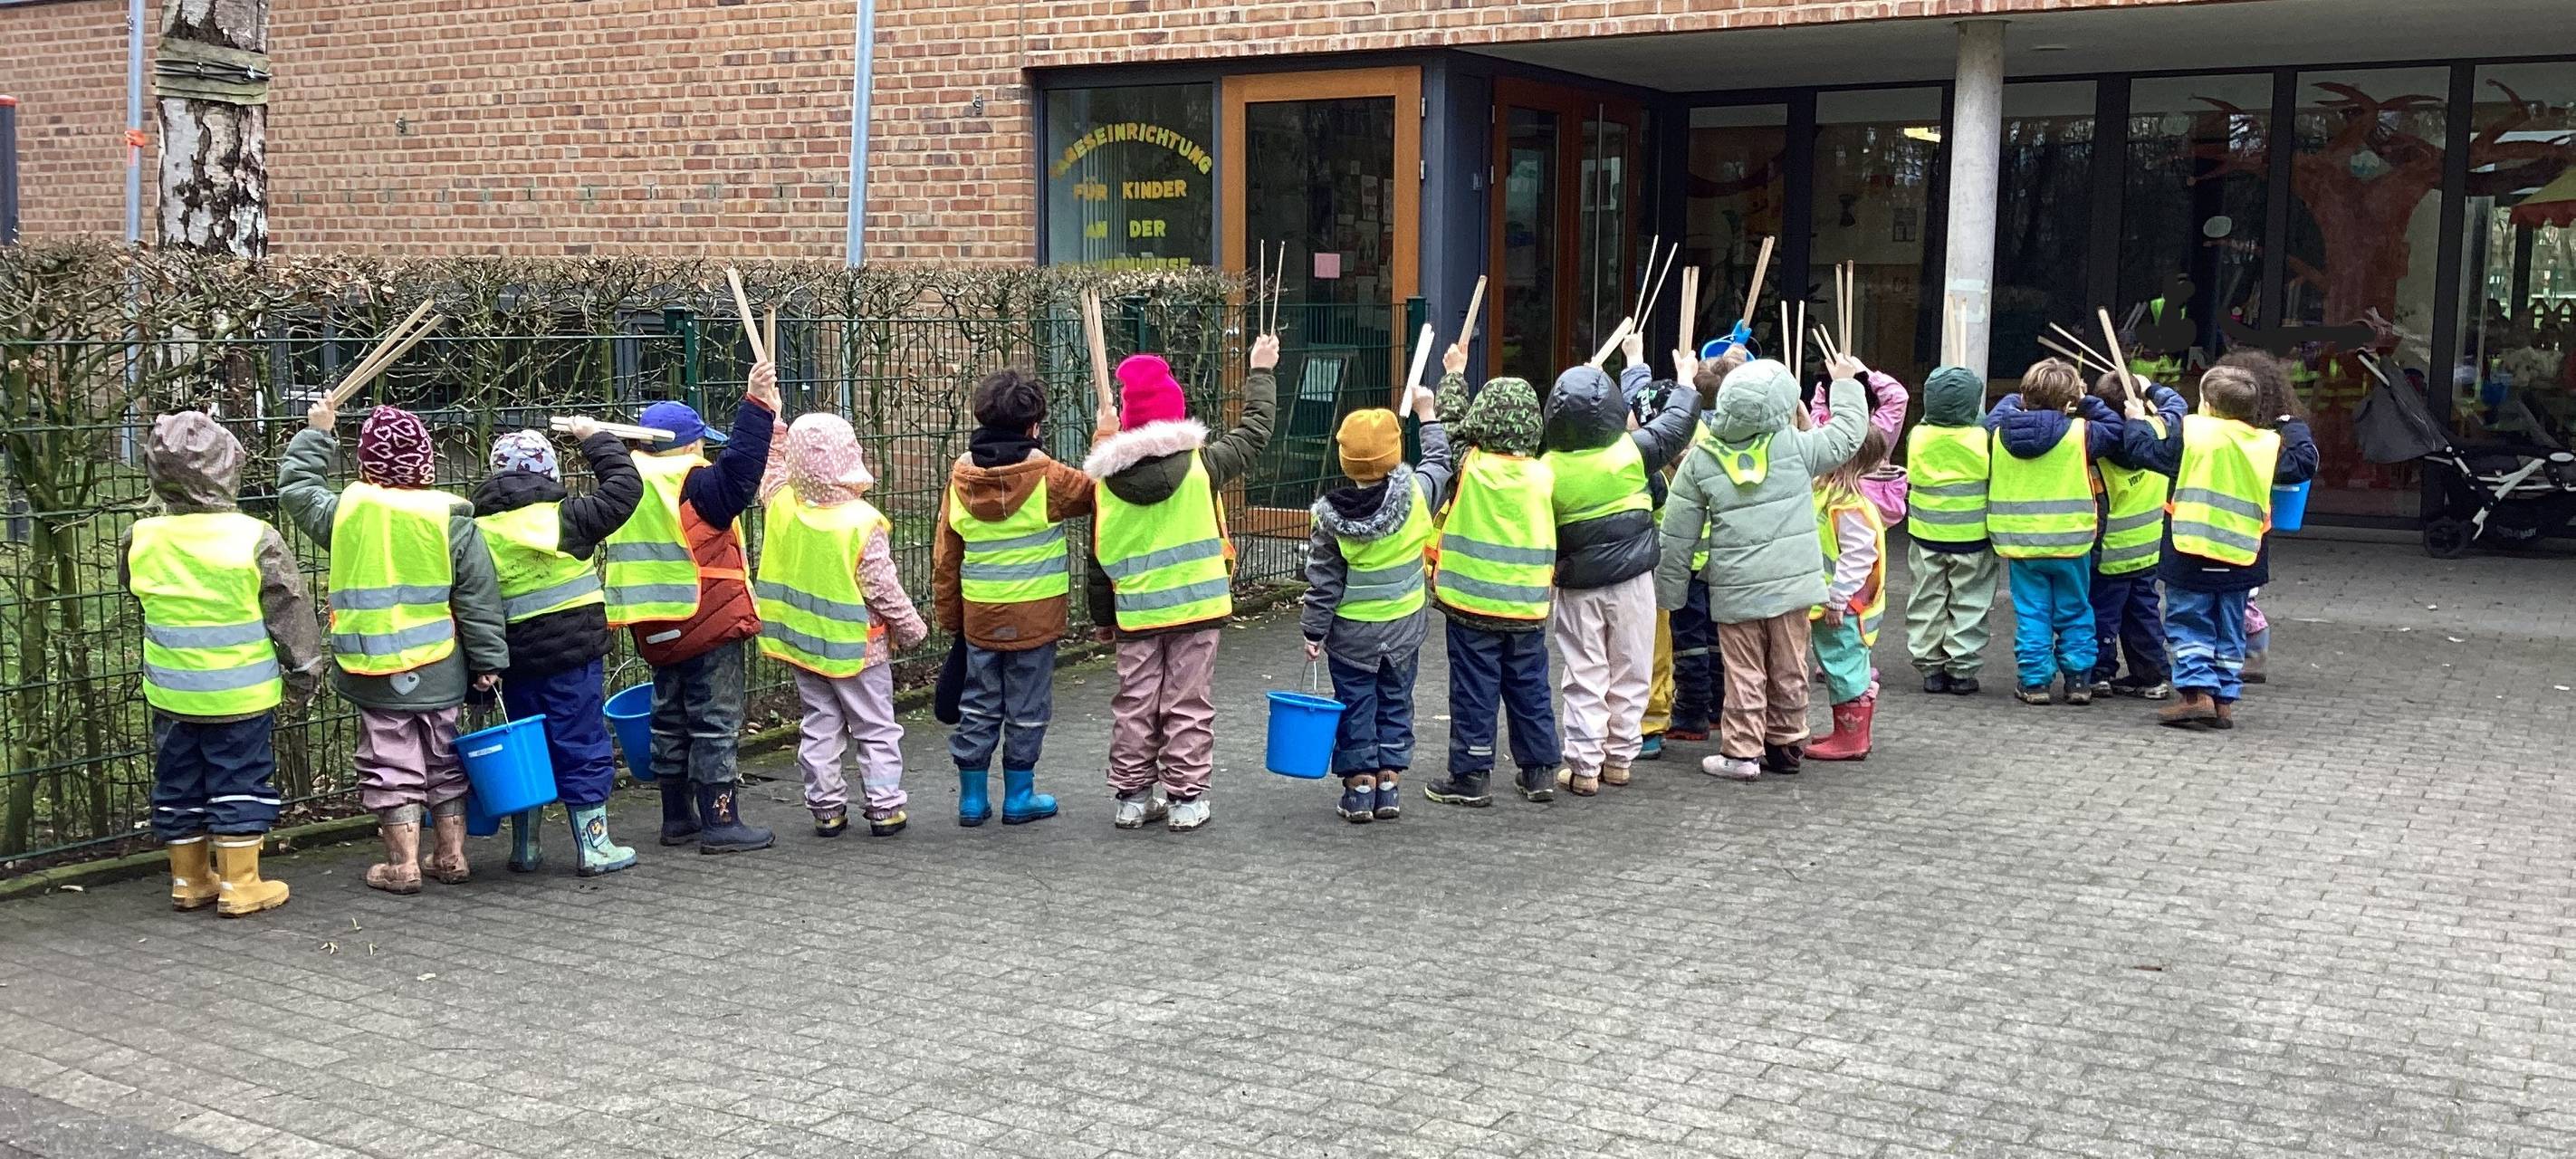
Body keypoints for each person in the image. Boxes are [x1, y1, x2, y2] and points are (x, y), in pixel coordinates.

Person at [282, 403, 510, 894]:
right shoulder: (451, 519)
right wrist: (489, 660)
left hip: (371, 664)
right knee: (445, 757)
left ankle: (401, 865)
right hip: (441, 664)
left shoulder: (347, 512)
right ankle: (450, 856)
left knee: (390, 761)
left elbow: (298, 490)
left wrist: (317, 434)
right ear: (427, 460)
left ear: (366, 463)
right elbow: (478, 598)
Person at [120, 412, 328, 916]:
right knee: (241, 781)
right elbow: (290, 611)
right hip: (241, 694)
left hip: (171, 693)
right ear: (229, 465)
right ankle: (242, 885)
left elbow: (137, 591)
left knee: (177, 783)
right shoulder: (254, 536)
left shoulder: (140, 537)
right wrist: (304, 675)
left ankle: (189, 880)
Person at [1083, 337, 1278, 833]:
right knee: (1187, 702)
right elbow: (1255, 433)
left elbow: (1097, 556)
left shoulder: (1104, 484)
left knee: (1135, 703)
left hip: (1136, 615)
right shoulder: (1203, 466)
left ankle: (1131, 797)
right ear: (1176, 416)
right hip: (1197, 609)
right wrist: (1260, 370)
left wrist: (1104, 620)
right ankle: (1186, 799)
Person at [1655, 350, 1867, 782]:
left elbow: (1678, 533)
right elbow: (1847, 436)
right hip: (1793, 587)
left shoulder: (1701, 457)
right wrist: (1845, 384)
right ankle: (1787, 742)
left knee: (1744, 672)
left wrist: (1670, 593)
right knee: (1790, 666)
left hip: (1736, 589)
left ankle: (1742, 752)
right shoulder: (1794, 446)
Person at [601, 363, 780, 853]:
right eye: (701, 442)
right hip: (707, 619)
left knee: (669, 717)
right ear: (685, 445)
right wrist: (757, 405)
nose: (705, 451)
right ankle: (721, 822)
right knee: (714, 719)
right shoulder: (695, 485)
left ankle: (677, 818)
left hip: (653, 624)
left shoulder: (625, 485)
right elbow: (742, 469)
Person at [933, 368, 1107, 829]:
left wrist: (953, 618)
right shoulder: (1048, 477)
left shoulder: (961, 480)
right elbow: (1099, 493)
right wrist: (1106, 442)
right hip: (1036, 619)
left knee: (978, 703)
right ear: (1034, 425)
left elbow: (945, 557)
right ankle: (1020, 796)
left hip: (980, 618)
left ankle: (971, 801)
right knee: (1028, 707)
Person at [470, 425, 644, 876]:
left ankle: (525, 848)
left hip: (512, 661)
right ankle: (594, 847)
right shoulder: (568, 516)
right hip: (573, 657)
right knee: (580, 741)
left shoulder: (474, 530)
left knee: (526, 745)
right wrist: (596, 440)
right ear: (549, 471)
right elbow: (626, 488)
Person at [1540, 332, 1700, 796]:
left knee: (1585, 671)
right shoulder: (1630, 452)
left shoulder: (1548, 467)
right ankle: (1620, 760)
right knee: (1631, 666)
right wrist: (1686, 379)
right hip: (1634, 580)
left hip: (1578, 584)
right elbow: (1675, 423)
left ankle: (1585, 765)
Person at [757, 412, 929, 838]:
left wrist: (775, 431)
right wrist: (911, 628)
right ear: (849, 455)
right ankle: (885, 806)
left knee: (819, 724)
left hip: (803, 646)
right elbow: (882, 589)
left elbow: (771, 471)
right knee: (875, 727)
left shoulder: (782, 505)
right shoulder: (860, 521)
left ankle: (826, 808)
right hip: (858, 650)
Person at [2120, 362, 2318, 729]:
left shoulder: (2190, 435)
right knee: (2230, 628)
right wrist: (2292, 424)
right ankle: (2224, 700)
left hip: (2190, 550)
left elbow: (2143, 450)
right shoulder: (2265, 444)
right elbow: (2305, 462)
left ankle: (2197, 696)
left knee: (2188, 622)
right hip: (2243, 554)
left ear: (2207, 405)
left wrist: (2135, 419)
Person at [1300, 354, 1454, 823]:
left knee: (1355, 704)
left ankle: (1359, 787)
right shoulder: (1418, 497)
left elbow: (1323, 581)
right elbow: (1440, 462)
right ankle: (1390, 782)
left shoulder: (1330, 518)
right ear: (1392, 455)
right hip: (1405, 628)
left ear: (1346, 460)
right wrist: (1427, 414)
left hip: (1351, 636)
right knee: (1395, 699)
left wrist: (1313, 631)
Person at [1422, 363, 1560, 808]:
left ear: (1481, 421)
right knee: (1530, 687)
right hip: (1527, 607)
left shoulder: (1470, 465)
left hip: (1471, 604)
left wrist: (1454, 376)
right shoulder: (1544, 475)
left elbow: (1447, 425)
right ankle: (1539, 772)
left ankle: (1472, 773)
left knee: (1473, 689)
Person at [1982, 359, 2124, 705]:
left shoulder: (1999, 433)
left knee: (2032, 614)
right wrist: (2086, 401)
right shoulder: (2082, 434)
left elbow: (1993, 419)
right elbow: (2116, 427)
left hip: (2021, 544)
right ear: (2069, 400)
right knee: (2075, 610)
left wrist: (2016, 399)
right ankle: (2078, 681)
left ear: (2025, 395)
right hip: (2071, 542)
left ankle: (2034, 683)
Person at [1902, 364, 2000, 694]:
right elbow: (1983, 421)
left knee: (1926, 599)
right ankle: (1962, 670)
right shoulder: (1983, 437)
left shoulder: (1918, 435)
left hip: (1925, 534)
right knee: (1970, 602)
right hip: (1972, 537)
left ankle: (1929, 667)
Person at [2083, 372, 2175, 700]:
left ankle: (2098, 674)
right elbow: (2175, 406)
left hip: (2111, 554)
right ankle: (2152, 677)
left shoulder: (2099, 452)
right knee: (2144, 615)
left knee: (2103, 617)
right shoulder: (2160, 432)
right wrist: (2152, 389)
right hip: (2148, 549)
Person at [1805, 425, 1891, 761]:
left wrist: (1837, 598)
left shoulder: (1847, 505)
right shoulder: (1834, 496)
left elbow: (1857, 558)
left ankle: (1851, 738)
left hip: (1844, 605)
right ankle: (1849, 731)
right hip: (1841, 602)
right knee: (1844, 664)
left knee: (1845, 666)